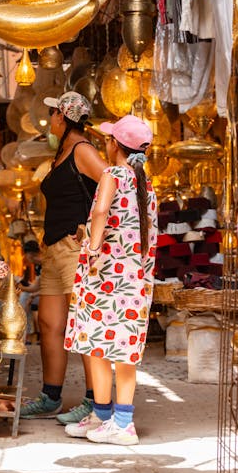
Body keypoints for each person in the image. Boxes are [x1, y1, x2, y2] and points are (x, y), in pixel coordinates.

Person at [63, 114, 158, 445]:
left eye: (108, 138)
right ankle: (114, 420)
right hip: (133, 281)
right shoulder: (145, 185)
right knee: (123, 351)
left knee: (98, 347)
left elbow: (102, 210)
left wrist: (92, 246)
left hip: (105, 277)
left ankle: (112, 420)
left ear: (114, 144)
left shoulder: (113, 174)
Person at [20, 91, 108, 422]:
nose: (51, 119)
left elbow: (112, 183)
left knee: (84, 324)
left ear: (63, 117)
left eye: (54, 113)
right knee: (49, 323)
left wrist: (92, 226)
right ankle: (51, 396)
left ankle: (93, 400)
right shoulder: (62, 152)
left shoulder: (83, 150)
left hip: (76, 249)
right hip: (55, 250)